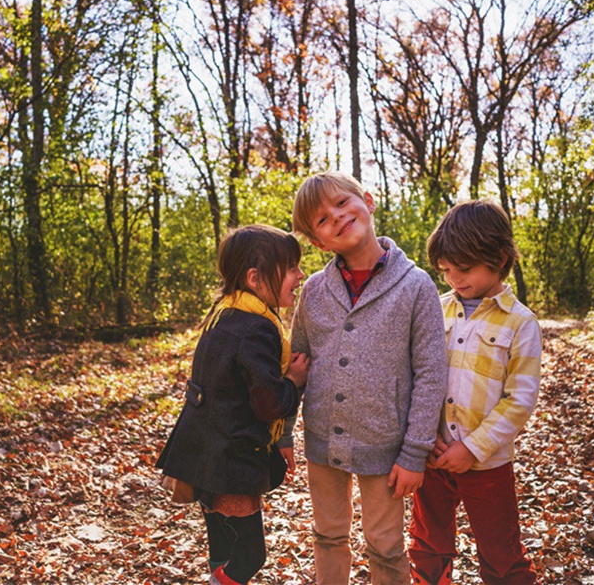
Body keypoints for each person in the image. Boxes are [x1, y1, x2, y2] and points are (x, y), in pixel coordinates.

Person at [290, 171, 448, 585]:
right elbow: (296, 368)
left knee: (385, 545)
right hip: (324, 442)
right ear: (319, 241)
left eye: (342, 204)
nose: (337, 218)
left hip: (387, 445)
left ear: (369, 201)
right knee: (327, 535)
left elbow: (431, 374)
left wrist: (415, 452)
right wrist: (282, 432)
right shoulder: (313, 291)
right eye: (322, 220)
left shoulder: (416, 287)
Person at [156, 224, 310, 585]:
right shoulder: (255, 328)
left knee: (222, 546)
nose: (300, 274)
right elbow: (268, 404)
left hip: (205, 451)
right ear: (255, 278)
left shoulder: (224, 313)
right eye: (290, 267)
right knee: (250, 556)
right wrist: (294, 381)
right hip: (231, 459)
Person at [409, 200, 542, 585]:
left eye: (463, 269)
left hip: (487, 463)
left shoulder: (520, 323)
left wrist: (471, 448)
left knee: (501, 554)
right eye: (446, 270)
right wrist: (424, 436)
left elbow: (520, 400)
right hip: (432, 457)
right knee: (427, 546)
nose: (454, 278)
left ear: (499, 258)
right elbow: (418, 374)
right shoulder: (435, 309)